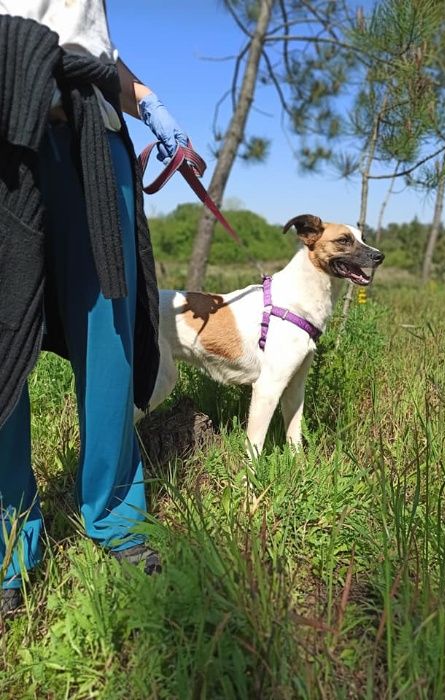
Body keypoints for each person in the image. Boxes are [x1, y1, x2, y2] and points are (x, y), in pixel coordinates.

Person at [0, 1, 188, 616]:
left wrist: (153, 108)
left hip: (92, 134)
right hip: (6, 130)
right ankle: (9, 540)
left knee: (110, 334)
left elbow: (91, 46)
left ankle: (114, 513)